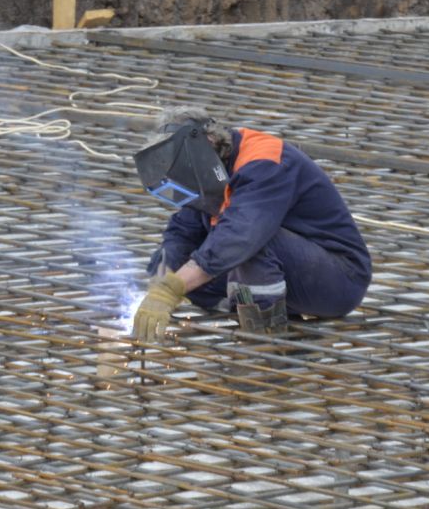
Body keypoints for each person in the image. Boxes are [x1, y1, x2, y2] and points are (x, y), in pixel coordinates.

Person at [130, 109, 371, 341]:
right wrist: (161, 283)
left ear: (208, 141)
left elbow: (240, 236)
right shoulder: (212, 175)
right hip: (286, 271)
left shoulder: (263, 161)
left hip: (338, 280)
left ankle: (265, 342)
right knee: (181, 270)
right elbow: (182, 233)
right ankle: (252, 313)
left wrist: (172, 289)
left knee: (242, 247)